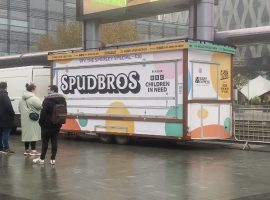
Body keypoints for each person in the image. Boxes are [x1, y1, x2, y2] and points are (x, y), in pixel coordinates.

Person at [33, 85, 66, 165]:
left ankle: (42, 159)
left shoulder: (47, 100)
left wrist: (41, 123)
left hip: (46, 125)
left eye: (49, 90)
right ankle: (53, 159)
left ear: (53, 91)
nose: (48, 91)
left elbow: (43, 113)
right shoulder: (63, 100)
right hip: (57, 124)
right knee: (54, 141)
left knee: (45, 142)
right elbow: (64, 112)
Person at [19, 83, 42, 156]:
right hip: (32, 119)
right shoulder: (33, 98)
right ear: (32, 89)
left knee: (26, 134)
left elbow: (19, 109)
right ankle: (33, 151)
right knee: (33, 134)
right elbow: (40, 106)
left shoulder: (21, 99)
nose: (36, 90)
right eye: (36, 89)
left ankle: (26, 150)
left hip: (24, 119)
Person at [0, 81, 15, 154]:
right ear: (6, 87)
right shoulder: (4, 95)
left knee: (0, 134)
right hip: (5, 118)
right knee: (5, 133)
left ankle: (1, 148)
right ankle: (6, 148)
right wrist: (13, 113)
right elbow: (8, 106)